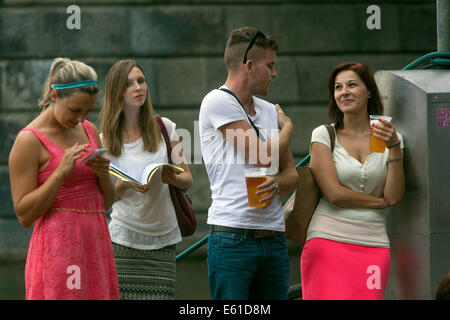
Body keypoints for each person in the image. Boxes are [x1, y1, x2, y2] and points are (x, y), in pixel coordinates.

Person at [199, 26, 298, 300]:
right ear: (250, 66)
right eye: (271, 66)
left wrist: (276, 183)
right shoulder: (217, 101)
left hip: (274, 238)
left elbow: (293, 175)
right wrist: (288, 129)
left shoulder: (268, 110)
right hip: (233, 240)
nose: (275, 73)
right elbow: (261, 156)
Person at [8, 57, 119, 300]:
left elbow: (106, 203)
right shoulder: (29, 140)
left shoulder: (88, 130)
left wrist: (103, 176)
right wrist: (59, 173)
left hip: (97, 243)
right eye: (75, 110)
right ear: (55, 96)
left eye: (88, 111)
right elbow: (24, 214)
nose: (81, 119)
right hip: (59, 247)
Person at [300, 62, 405, 300]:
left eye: (351, 85)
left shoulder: (391, 138)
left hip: (374, 242)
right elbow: (334, 194)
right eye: (338, 87)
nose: (343, 92)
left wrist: (395, 147)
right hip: (326, 240)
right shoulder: (324, 135)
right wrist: (381, 202)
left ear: (369, 91)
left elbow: (395, 196)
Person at [100, 59, 193, 300]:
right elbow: (104, 202)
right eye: (129, 84)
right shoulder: (105, 139)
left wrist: (171, 177)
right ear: (116, 92)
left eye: (141, 81)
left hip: (163, 238)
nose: (138, 87)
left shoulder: (165, 127)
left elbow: (188, 179)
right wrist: (124, 184)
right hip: (123, 238)